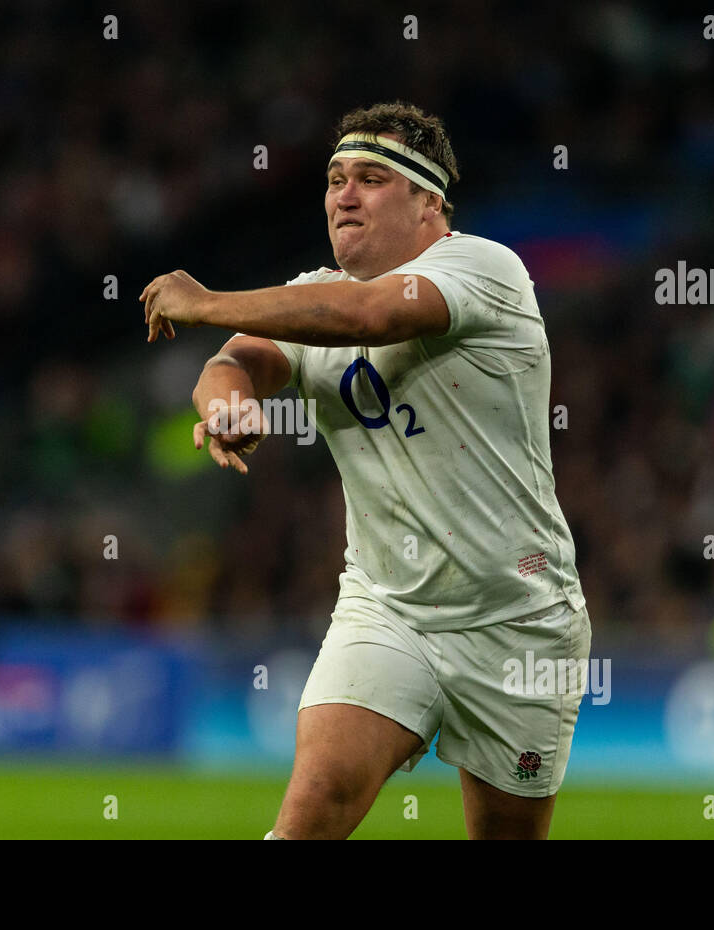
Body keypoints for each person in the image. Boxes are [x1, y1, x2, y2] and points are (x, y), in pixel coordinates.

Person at [140, 101, 590, 839]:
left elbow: (369, 318)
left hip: (520, 619)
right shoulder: (314, 295)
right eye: (335, 178)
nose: (344, 194)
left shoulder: (484, 269)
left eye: (372, 178)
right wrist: (230, 404)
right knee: (315, 803)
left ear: (429, 203)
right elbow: (235, 362)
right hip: (389, 610)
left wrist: (208, 301)